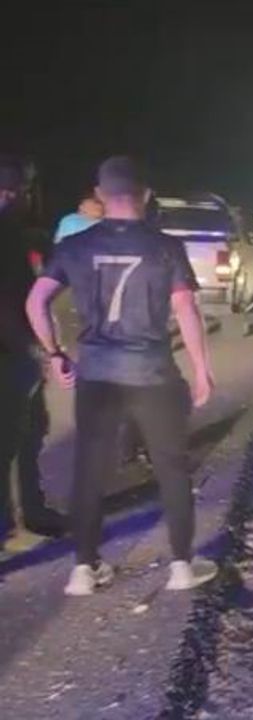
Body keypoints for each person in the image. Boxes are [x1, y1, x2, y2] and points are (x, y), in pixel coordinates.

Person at [25, 156, 217, 595]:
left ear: (100, 194)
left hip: (97, 375)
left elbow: (36, 302)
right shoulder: (165, 246)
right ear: (146, 194)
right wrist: (202, 370)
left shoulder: (74, 245)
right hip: (153, 374)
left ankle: (83, 569)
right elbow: (186, 308)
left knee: (89, 471)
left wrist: (55, 352)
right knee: (171, 467)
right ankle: (182, 567)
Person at [1, 155, 66, 548]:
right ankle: (14, 521)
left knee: (30, 430)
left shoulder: (19, 232)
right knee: (13, 436)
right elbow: (8, 301)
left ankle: (29, 512)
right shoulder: (9, 232)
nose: (17, 197)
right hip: (11, 352)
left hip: (16, 348)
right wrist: (35, 348)